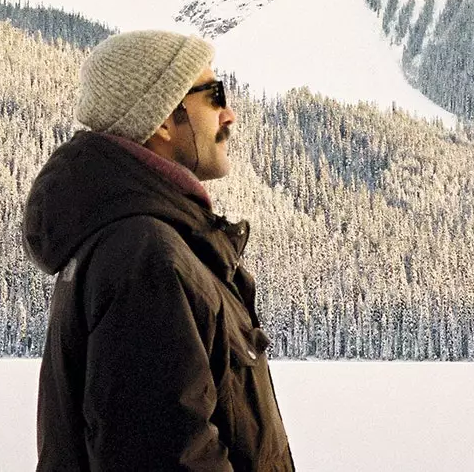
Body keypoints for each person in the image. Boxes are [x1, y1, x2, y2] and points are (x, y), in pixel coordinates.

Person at [23, 29, 295, 471]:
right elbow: (166, 457)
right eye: (215, 95)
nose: (230, 115)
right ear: (165, 119)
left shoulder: (142, 242)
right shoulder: (144, 256)